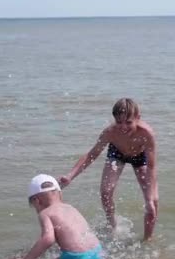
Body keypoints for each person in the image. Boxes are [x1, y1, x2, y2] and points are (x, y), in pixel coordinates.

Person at [59, 98, 158, 241]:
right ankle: (112, 226)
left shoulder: (146, 133)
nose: (123, 127)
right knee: (105, 192)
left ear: (138, 118)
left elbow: (151, 166)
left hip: (140, 156)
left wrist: (149, 199)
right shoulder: (110, 133)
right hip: (117, 153)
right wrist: (70, 176)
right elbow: (92, 154)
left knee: (153, 202)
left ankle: (148, 239)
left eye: (128, 122)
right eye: (119, 122)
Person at [6, 174, 102, 259]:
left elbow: (48, 239)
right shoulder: (70, 208)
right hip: (98, 254)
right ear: (60, 194)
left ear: (37, 201)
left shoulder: (45, 213)